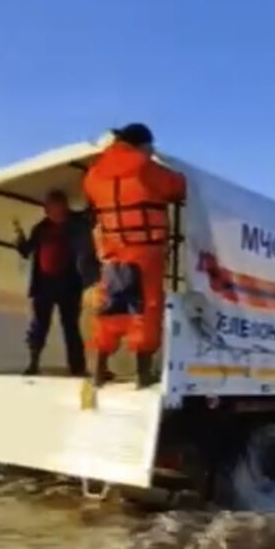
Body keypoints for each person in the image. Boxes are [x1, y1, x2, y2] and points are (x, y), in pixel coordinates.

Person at [82, 122, 186, 389]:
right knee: (146, 308)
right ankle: (143, 373)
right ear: (142, 145)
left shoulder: (93, 174)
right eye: (150, 147)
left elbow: (92, 197)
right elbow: (176, 187)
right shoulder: (145, 167)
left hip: (112, 253)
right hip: (145, 252)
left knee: (109, 308)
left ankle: (98, 370)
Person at [14, 189, 99, 376]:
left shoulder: (76, 224)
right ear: (47, 209)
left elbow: (91, 219)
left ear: (65, 206)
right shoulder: (40, 229)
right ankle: (33, 363)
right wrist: (20, 242)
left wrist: (92, 204)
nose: (56, 210)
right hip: (44, 284)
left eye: (59, 205)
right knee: (39, 325)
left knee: (71, 327)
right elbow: (27, 251)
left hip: (69, 283)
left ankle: (77, 368)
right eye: (51, 206)